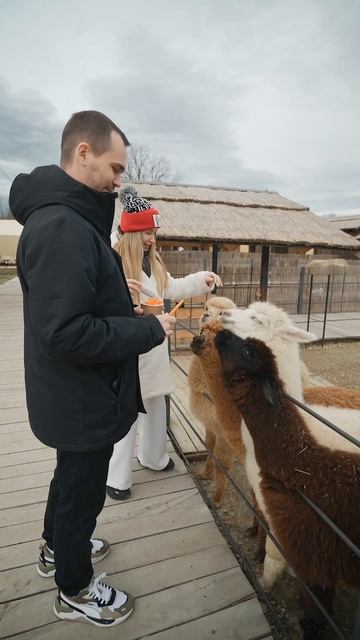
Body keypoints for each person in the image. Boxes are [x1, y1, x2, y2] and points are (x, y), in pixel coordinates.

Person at [9, 111, 176, 628]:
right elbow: (66, 332)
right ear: (83, 153)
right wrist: (151, 329)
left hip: (70, 393)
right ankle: (74, 589)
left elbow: (71, 303)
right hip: (79, 397)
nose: (119, 180)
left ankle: (56, 550)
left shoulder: (67, 218)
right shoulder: (63, 226)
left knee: (70, 479)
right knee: (81, 491)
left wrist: (111, 291)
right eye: (115, 167)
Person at [106, 186, 222, 500]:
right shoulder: (112, 262)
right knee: (127, 416)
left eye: (153, 232)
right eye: (145, 232)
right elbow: (102, 307)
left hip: (153, 349)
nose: (151, 239)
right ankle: (116, 476)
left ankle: (154, 457)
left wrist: (202, 279)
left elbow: (171, 287)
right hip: (128, 351)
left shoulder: (152, 264)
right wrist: (134, 311)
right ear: (130, 233)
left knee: (157, 408)